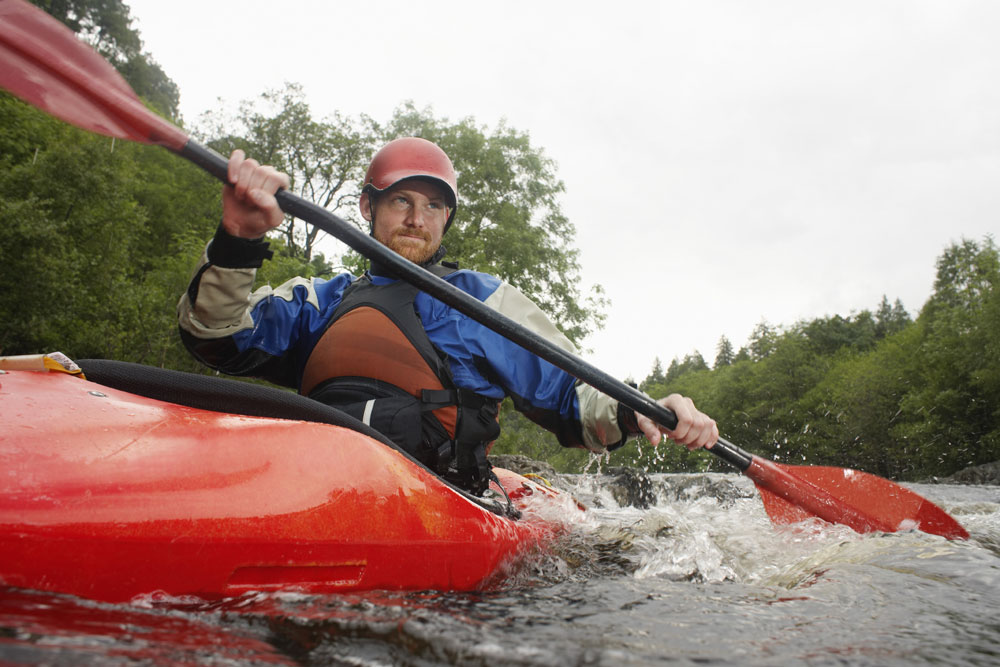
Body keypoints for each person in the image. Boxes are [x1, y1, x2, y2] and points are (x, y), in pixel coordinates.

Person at [178, 137, 718, 495]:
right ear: (368, 207)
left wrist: (640, 409)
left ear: (448, 217)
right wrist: (240, 238)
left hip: (442, 496)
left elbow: (570, 395)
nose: (417, 219)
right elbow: (215, 335)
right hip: (316, 487)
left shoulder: (480, 302)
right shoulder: (322, 300)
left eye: (433, 206)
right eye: (401, 202)